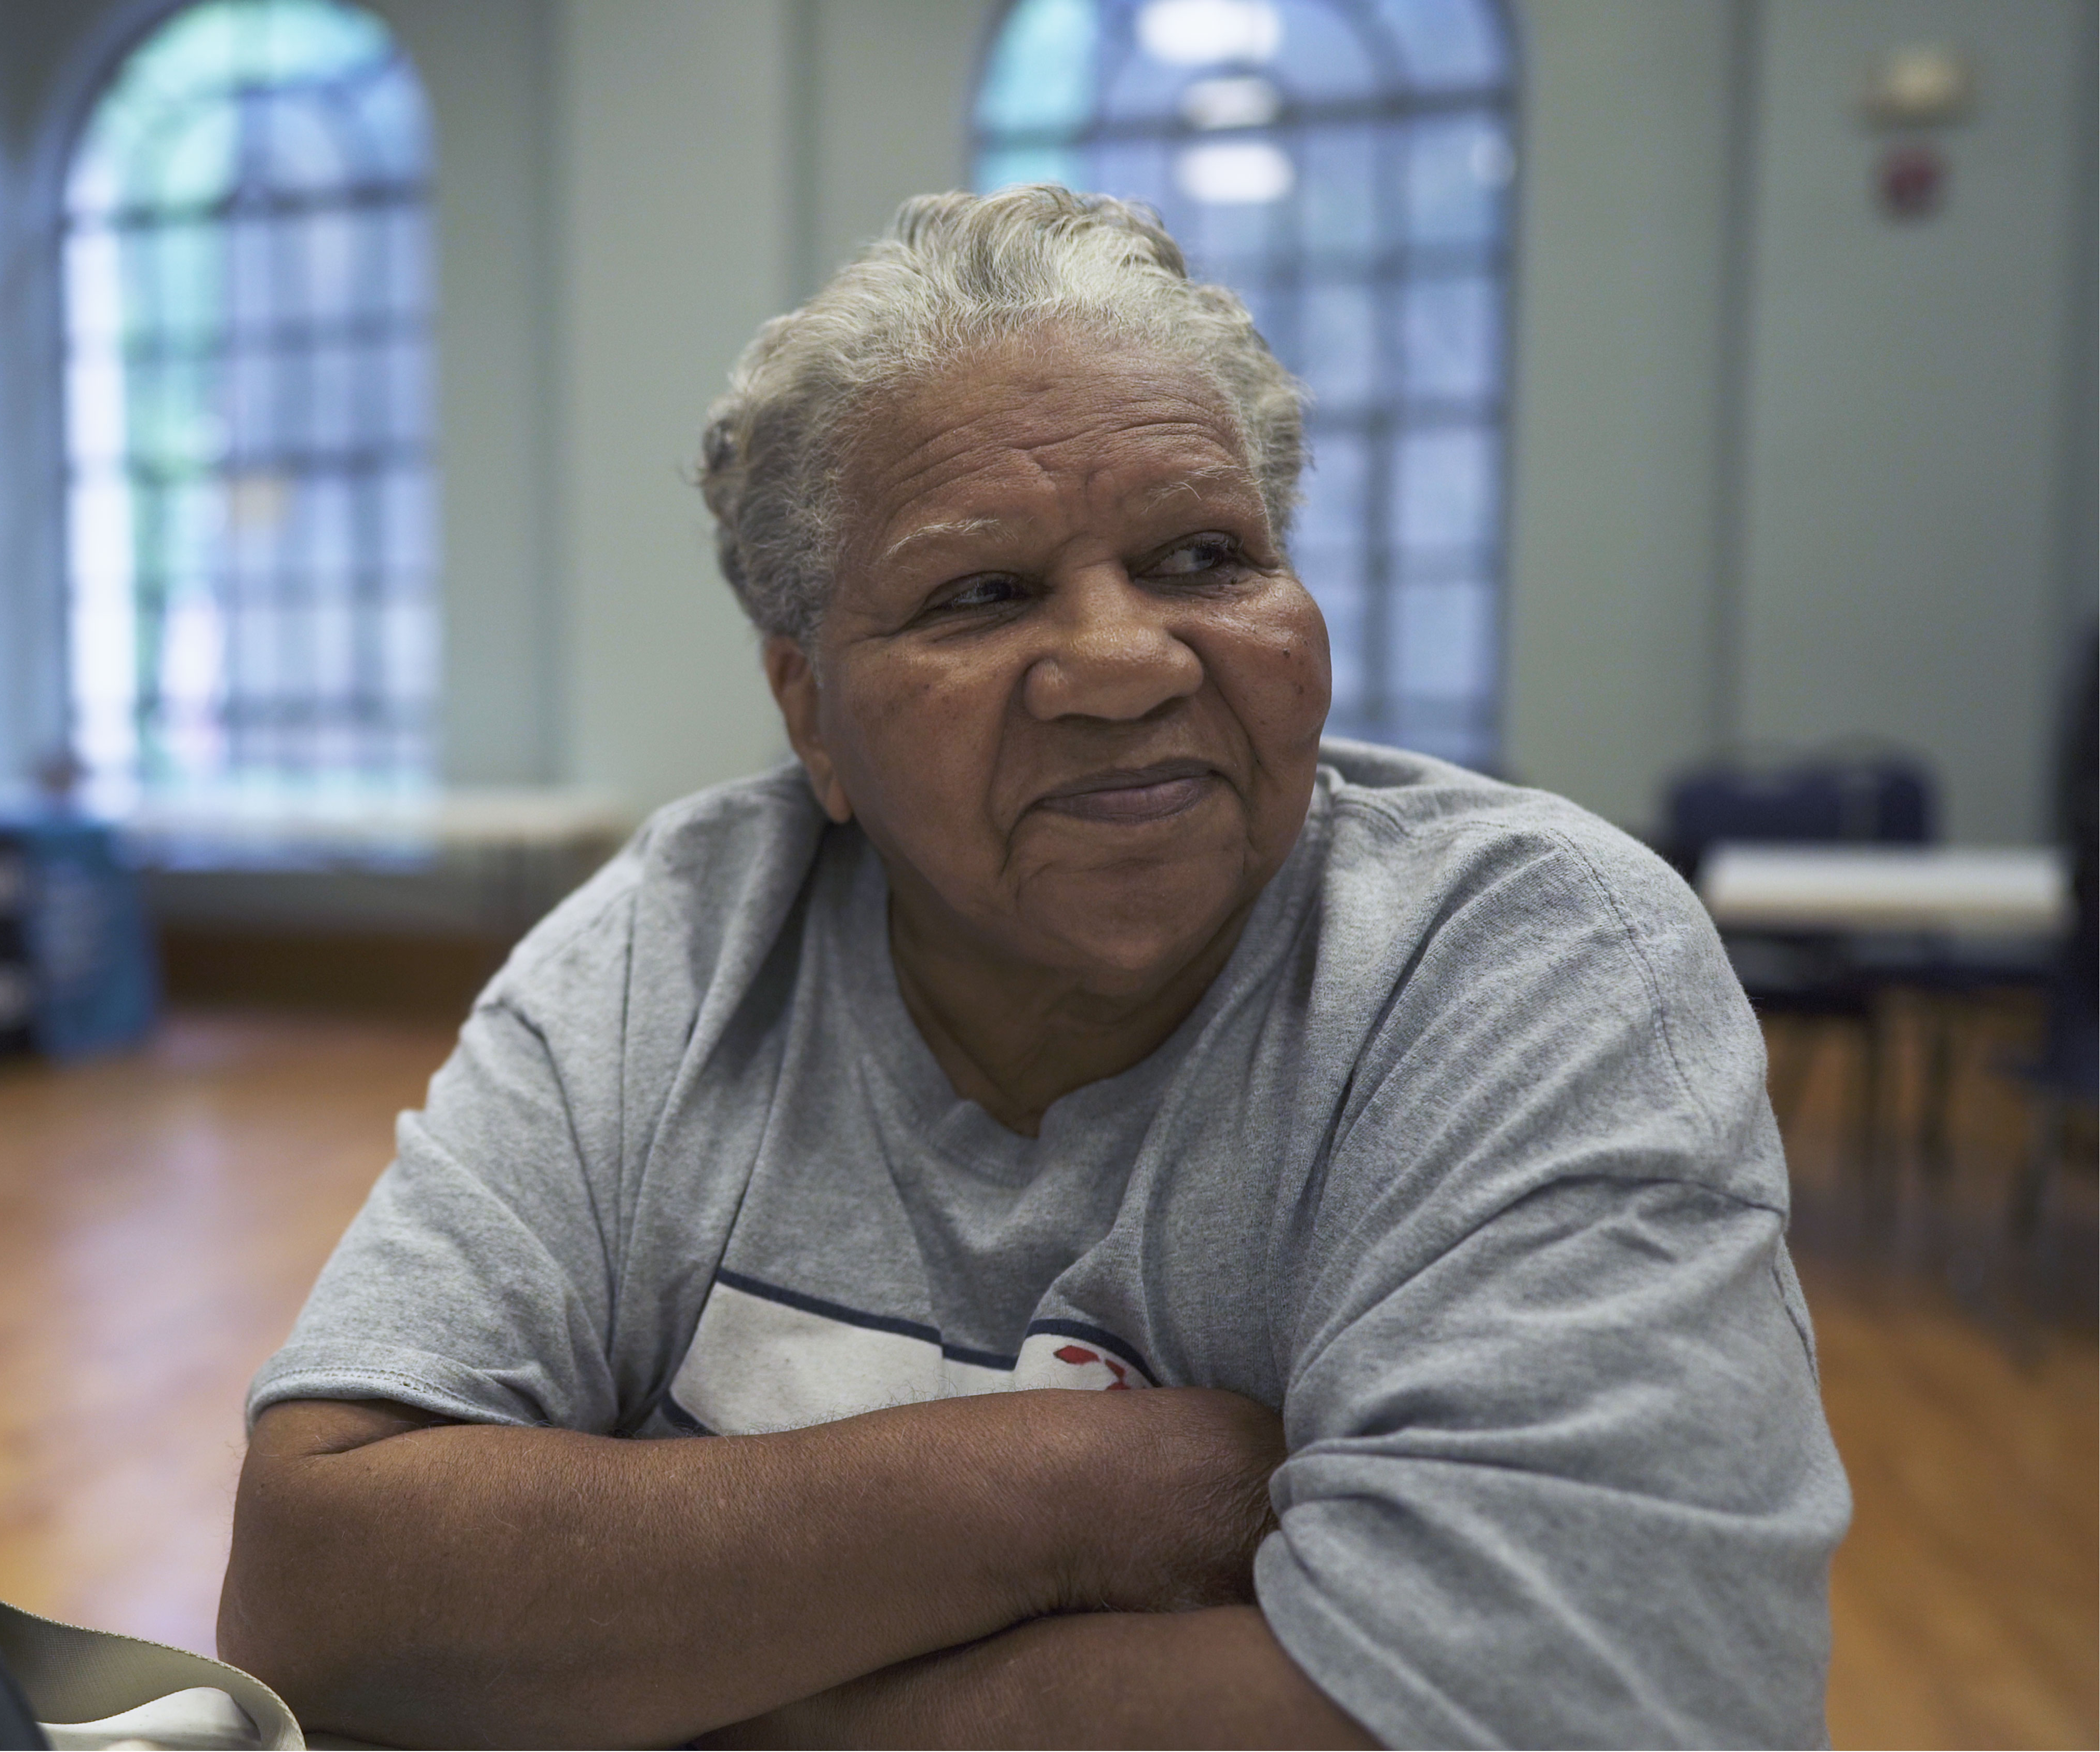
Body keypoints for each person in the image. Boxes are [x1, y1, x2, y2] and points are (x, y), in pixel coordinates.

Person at [217, 186, 1849, 1748]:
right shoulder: (684, 940)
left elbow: (1577, 1710)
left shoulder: (1522, 963)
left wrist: (709, 1691)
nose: (1123, 663)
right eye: (980, 593)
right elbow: (322, 1586)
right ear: (810, 714)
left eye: (1206, 558)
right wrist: (1103, 1488)